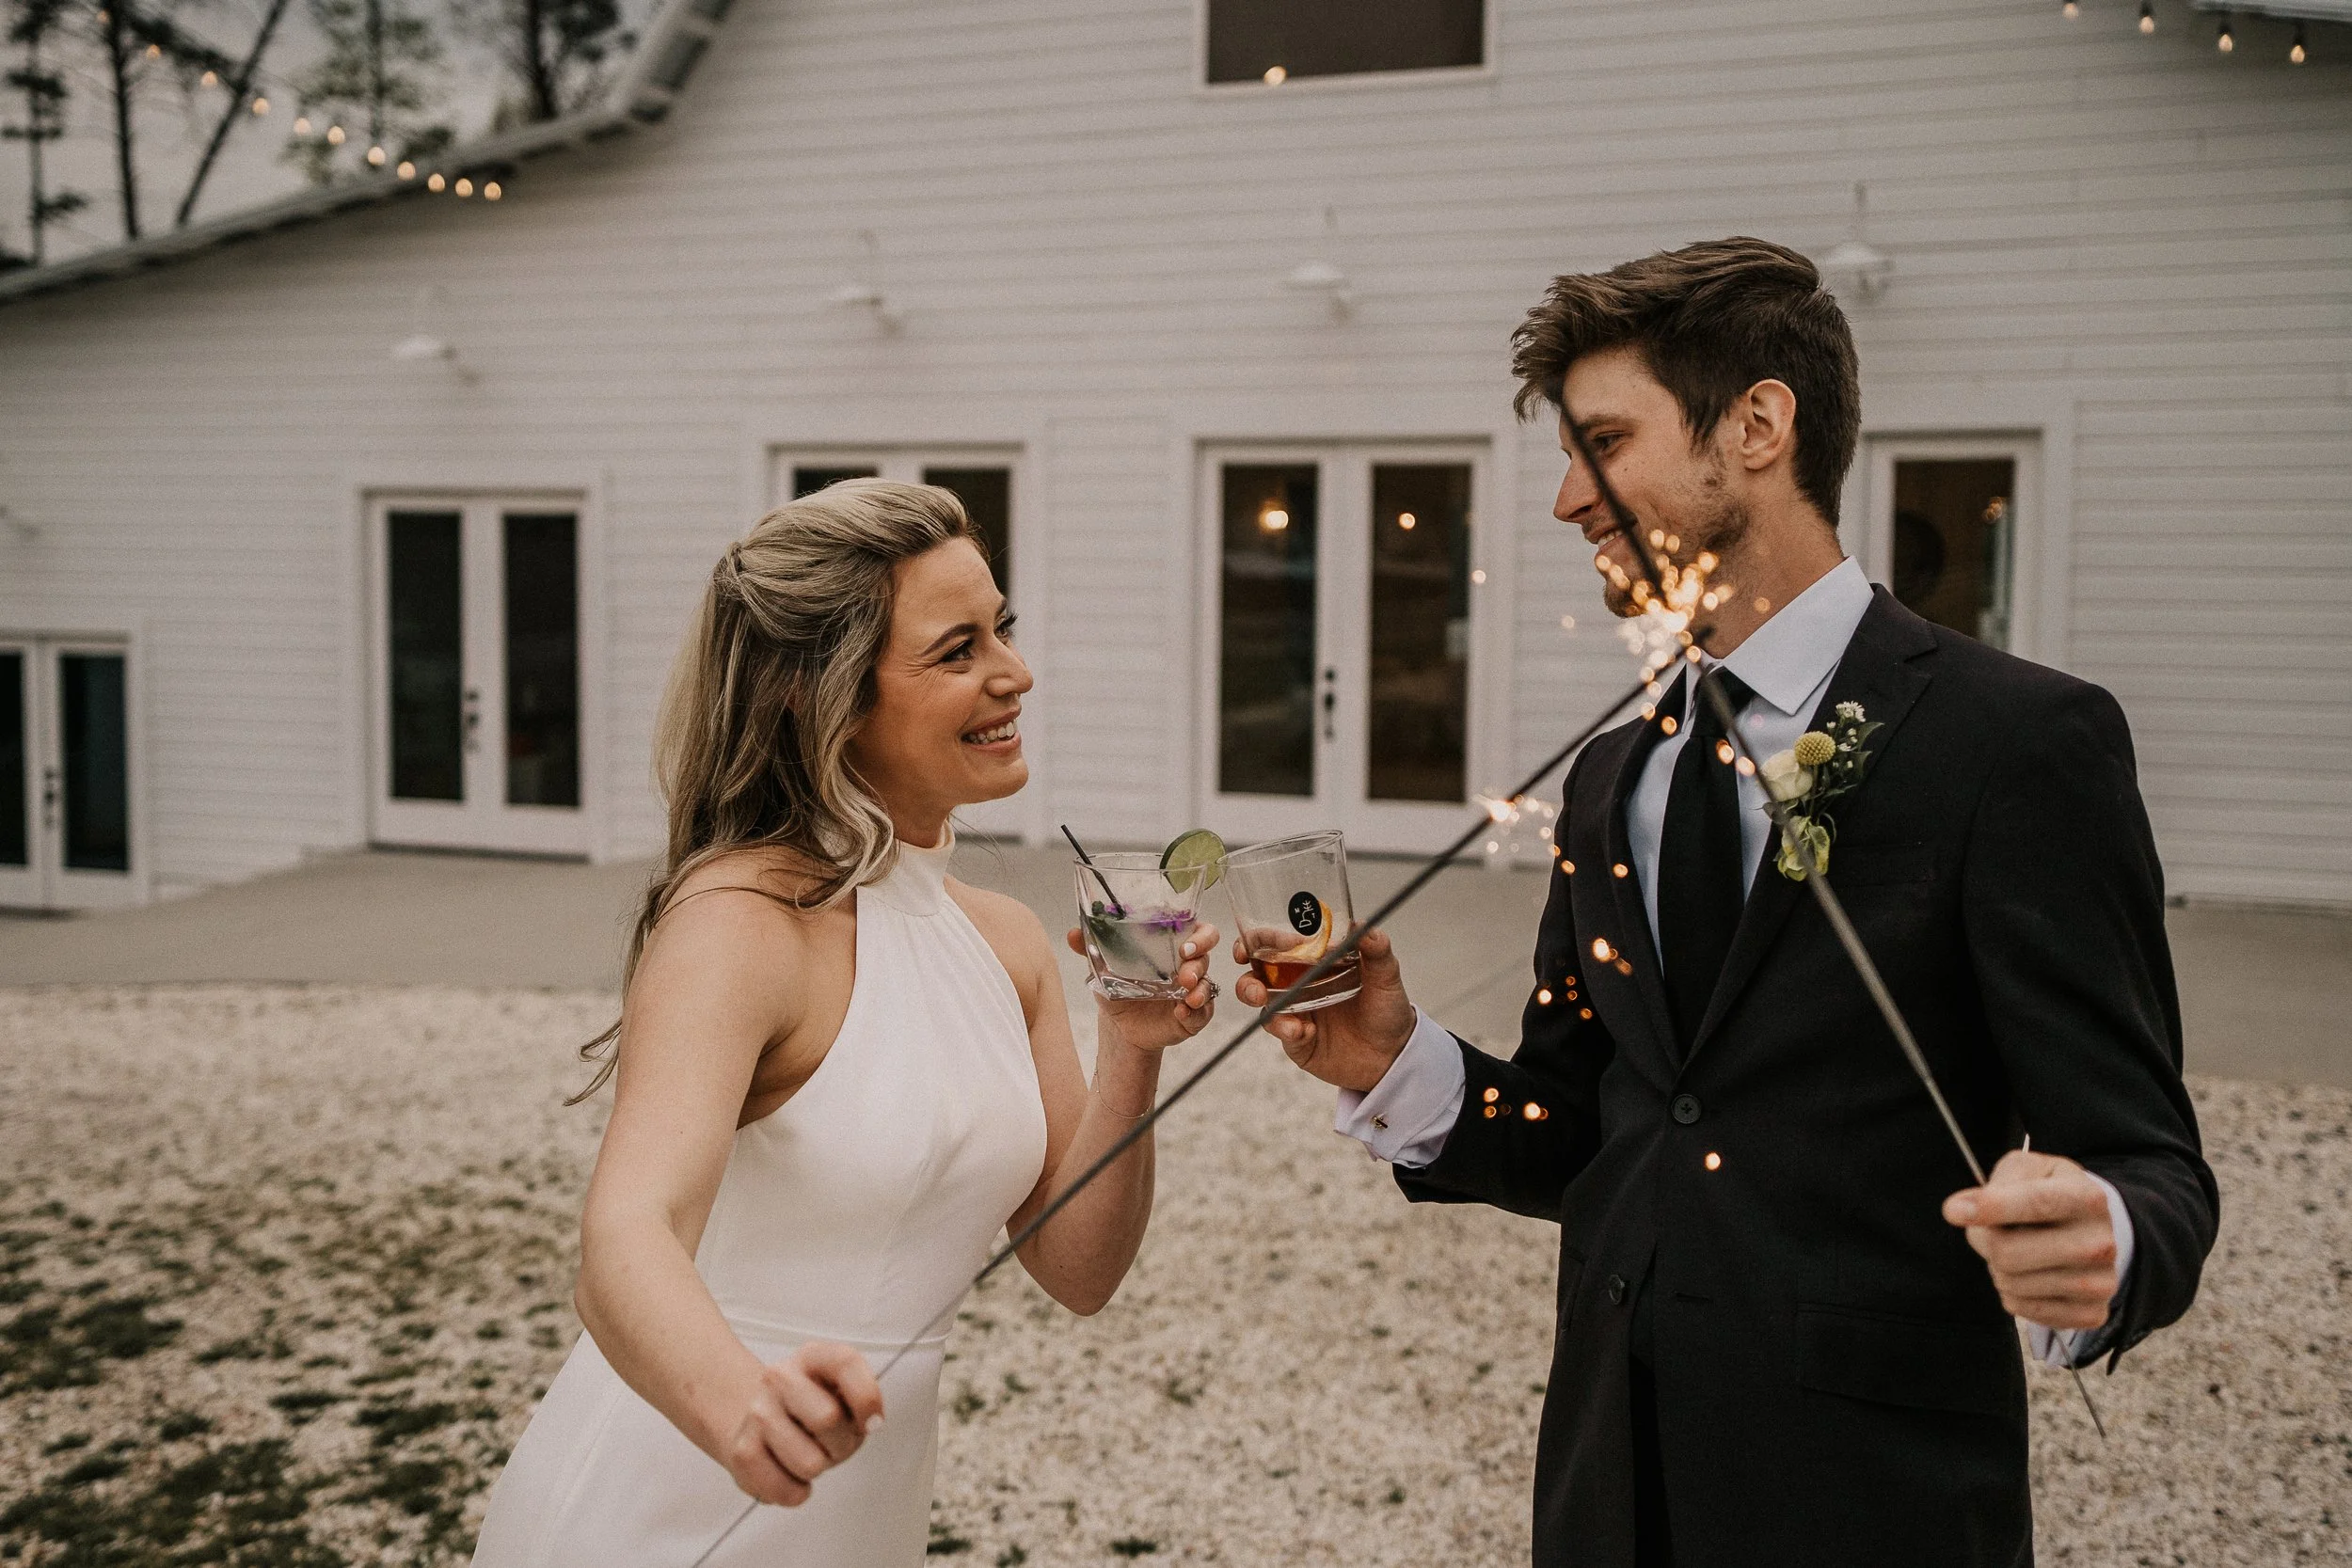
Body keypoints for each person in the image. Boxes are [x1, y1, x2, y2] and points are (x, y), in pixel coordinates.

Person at [1239, 239, 2217, 1568]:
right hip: (1604, 1490)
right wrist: (1402, 1066)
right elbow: (1589, 1125)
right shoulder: (1611, 772)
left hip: (1875, 1500)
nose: (1568, 498)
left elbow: (2149, 1159)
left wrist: (2100, 1241)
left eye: (1603, 442)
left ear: (1757, 425)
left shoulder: (2020, 742)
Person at [471, 480, 1217, 1567]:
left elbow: (1080, 1268)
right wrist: (744, 1406)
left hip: (862, 1522)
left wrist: (1131, 1047)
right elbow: (622, 1239)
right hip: (664, 1501)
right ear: (820, 696)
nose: (1013, 671)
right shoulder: (741, 920)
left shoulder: (1007, 941)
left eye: (1001, 626)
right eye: (955, 649)